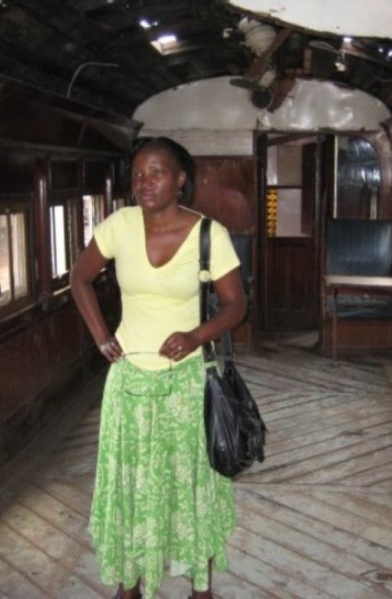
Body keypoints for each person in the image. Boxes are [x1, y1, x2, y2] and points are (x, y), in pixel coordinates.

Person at [70, 136, 246, 599]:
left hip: (185, 384)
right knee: (130, 485)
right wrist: (101, 337)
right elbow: (79, 277)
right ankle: (130, 585)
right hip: (128, 384)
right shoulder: (119, 226)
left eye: (157, 172)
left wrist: (195, 336)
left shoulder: (210, 234)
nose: (144, 183)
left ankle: (201, 588)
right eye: (138, 175)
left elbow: (234, 306)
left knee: (191, 487)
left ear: (180, 179)